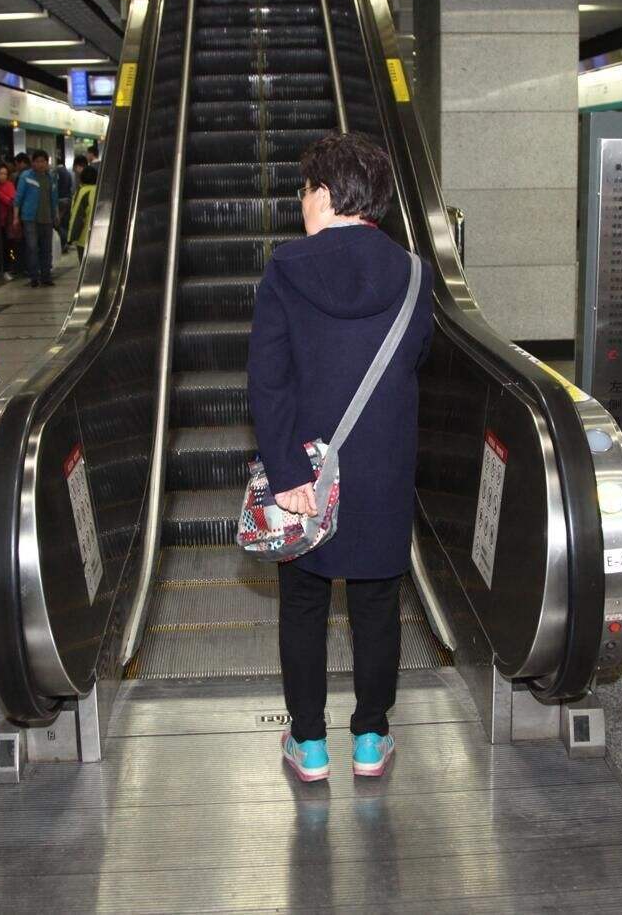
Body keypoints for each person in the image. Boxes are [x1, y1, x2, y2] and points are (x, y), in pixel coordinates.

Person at [248, 132, 433, 783]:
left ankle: (310, 745)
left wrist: (288, 472)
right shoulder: (413, 271)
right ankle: (370, 737)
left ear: (323, 194)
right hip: (381, 468)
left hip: (306, 476)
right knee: (377, 602)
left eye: (304, 189)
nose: (301, 201)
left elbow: (267, 380)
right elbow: (414, 357)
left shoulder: (286, 268)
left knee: (302, 603)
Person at [15, 149, 59, 287]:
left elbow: (54, 198)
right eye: (37, 161)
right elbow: (18, 198)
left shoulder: (50, 178)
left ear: (47, 162)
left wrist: (56, 214)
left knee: (47, 248)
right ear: (32, 163)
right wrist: (15, 217)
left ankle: (46, 276)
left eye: (43, 161)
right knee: (32, 248)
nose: (40, 164)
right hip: (30, 219)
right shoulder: (26, 177)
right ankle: (34, 276)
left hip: (47, 218)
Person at [69, 157, 98, 260]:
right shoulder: (100, 191)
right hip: (99, 236)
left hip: (84, 237)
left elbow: (77, 215)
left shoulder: (83, 192)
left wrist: (71, 237)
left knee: (84, 266)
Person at [0, 160, 19, 280]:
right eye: (0, 173)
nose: (2, 176)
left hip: (7, 222)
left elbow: (12, 201)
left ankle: (9, 268)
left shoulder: (9, 186)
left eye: (5, 174)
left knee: (8, 246)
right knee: (2, 246)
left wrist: (1, 196)